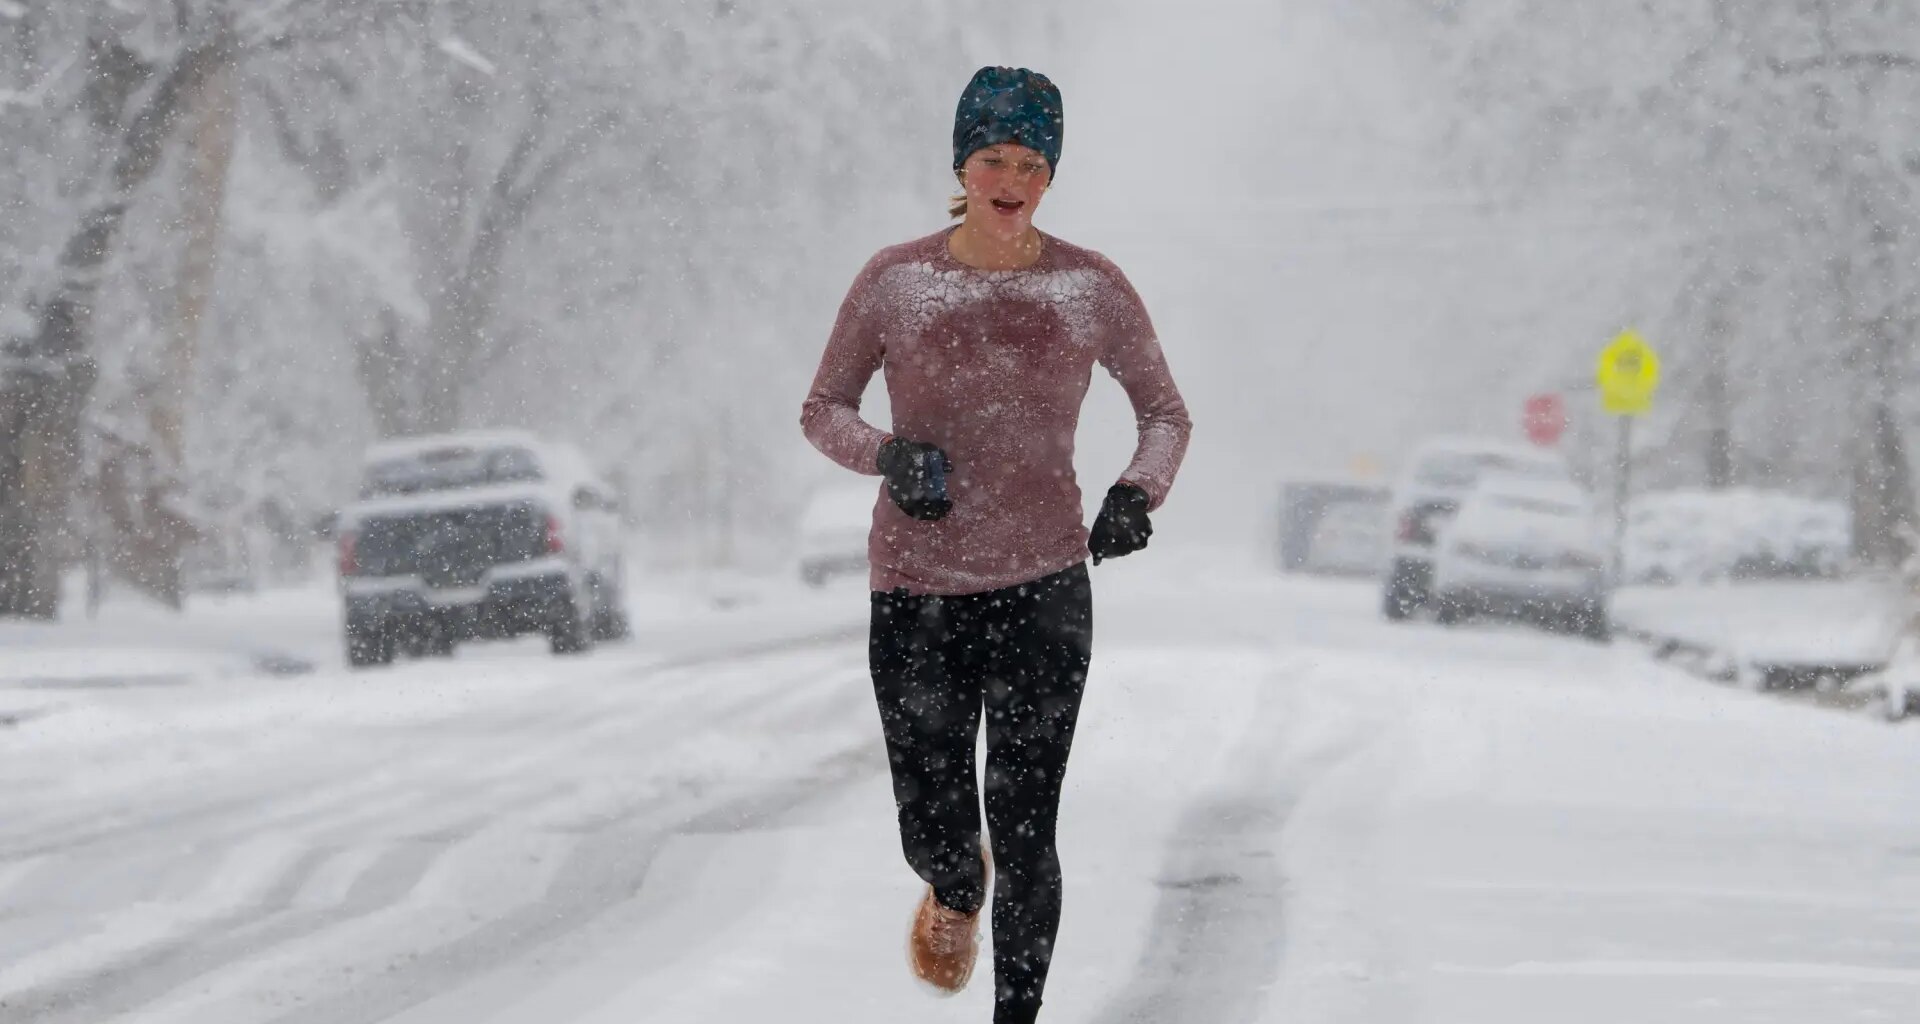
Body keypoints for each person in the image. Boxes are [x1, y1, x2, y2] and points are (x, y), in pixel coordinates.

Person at [799, 65, 1191, 1024]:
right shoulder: (898, 281)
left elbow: (1166, 415)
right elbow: (822, 410)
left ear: (1050, 175)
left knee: (1026, 829)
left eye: (1029, 162)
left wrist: (1137, 495)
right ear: (961, 166)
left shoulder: (1089, 289)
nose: (1010, 178)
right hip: (918, 591)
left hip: (1044, 589)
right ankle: (952, 888)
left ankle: (1019, 1012)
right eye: (991, 158)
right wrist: (890, 455)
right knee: (938, 828)